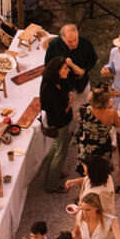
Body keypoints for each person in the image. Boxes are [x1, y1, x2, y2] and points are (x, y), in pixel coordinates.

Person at [44, 23, 99, 122]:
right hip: (64, 85)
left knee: (81, 109)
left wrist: (84, 70)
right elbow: (48, 65)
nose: (74, 43)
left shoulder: (85, 42)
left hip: (81, 83)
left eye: (75, 39)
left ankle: (78, 126)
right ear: (62, 38)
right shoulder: (54, 45)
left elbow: (93, 58)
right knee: (65, 110)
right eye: (70, 41)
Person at [41, 57, 75, 193]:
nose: (68, 70)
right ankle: (51, 185)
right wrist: (70, 102)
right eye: (65, 68)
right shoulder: (51, 90)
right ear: (57, 71)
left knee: (55, 148)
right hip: (60, 124)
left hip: (57, 123)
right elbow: (61, 114)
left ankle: (54, 174)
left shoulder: (56, 81)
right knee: (60, 153)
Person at [73, 85, 116, 173]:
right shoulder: (112, 113)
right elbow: (117, 125)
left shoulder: (85, 110)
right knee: (101, 171)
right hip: (103, 146)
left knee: (86, 170)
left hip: (86, 144)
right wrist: (109, 109)